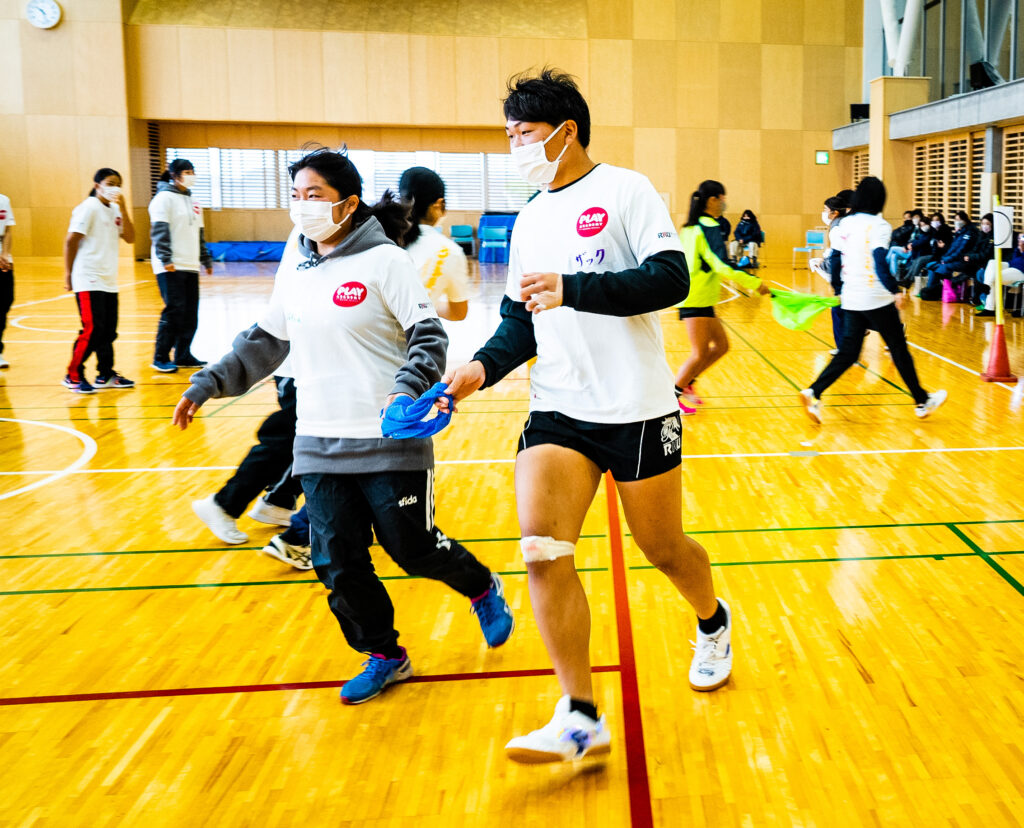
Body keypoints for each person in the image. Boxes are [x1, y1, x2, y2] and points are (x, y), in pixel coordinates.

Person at [439, 69, 734, 764]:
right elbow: (518, 321)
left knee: (663, 549)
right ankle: (580, 713)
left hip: (637, 407)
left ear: (566, 131)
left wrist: (575, 288)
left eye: (524, 134)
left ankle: (712, 621)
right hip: (559, 408)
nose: (515, 147)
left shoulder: (625, 190)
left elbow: (671, 278)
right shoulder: (530, 217)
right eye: (508, 135)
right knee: (542, 552)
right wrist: (480, 369)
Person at [172, 147, 513, 705]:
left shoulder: (385, 261)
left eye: (316, 196)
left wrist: (404, 389)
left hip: (388, 436)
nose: (302, 207)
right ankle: (385, 654)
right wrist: (208, 382)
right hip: (318, 436)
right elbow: (268, 338)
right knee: (336, 560)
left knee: (411, 547)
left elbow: (429, 337)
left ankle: (480, 585)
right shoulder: (295, 258)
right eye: (297, 196)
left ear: (348, 204)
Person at [799, 177, 947, 423]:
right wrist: (895, 289)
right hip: (875, 296)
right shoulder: (880, 225)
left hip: (851, 297)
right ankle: (922, 401)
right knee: (898, 348)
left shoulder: (845, 224)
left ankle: (813, 392)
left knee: (848, 353)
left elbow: (835, 258)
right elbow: (879, 259)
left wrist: (837, 288)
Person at [673, 182, 770, 415]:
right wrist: (755, 283)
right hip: (695, 297)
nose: (725, 203)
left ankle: (688, 383)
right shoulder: (707, 226)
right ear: (713, 200)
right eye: (722, 198)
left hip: (702, 297)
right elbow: (720, 265)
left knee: (722, 346)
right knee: (699, 353)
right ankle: (674, 395)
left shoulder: (690, 227)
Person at [62, 168, 136, 394]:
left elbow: (131, 238)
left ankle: (106, 374)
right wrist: (68, 273)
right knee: (92, 329)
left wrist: (123, 208)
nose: (114, 188)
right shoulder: (88, 207)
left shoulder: (115, 209)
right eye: (110, 183)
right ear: (97, 185)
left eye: (118, 184)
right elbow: (71, 241)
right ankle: (72, 374)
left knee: (109, 331)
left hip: (108, 279)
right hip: (88, 277)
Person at [149, 158, 213, 373]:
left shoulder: (194, 201)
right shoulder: (163, 199)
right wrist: (166, 259)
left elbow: (199, 234)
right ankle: (160, 356)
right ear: (174, 175)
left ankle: (183, 354)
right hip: (170, 266)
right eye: (186, 171)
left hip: (190, 264)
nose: (191, 174)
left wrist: (205, 259)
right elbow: (160, 232)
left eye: (192, 171)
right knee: (174, 311)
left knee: (190, 313)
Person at [399, 167, 470, 321]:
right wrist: (424, 305)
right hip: (406, 342)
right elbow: (458, 313)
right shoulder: (449, 251)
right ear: (439, 204)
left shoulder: (379, 236)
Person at [809, 193, 851, 354]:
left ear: (835, 212)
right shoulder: (844, 224)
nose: (823, 212)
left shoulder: (837, 228)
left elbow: (839, 256)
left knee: (839, 310)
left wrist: (824, 264)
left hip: (845, 277)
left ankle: (844, 350)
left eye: (825, 209)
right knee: (851, 311)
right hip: (850, 276)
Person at [919, 211, 977, 300]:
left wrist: (946, 260)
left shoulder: (969, 233)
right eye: (956, 219)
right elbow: (952, 248)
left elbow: (960, 251)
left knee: (940, 269)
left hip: (962, 261)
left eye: (959, 219)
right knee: (932, 267)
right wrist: (944, 258)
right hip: (951, 259)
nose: (957, 222)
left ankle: (934, 292)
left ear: (965, 220)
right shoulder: (959, 233)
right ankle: (931, 291)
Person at [975, 230, 1024, 317]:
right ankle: (987, 286)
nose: (1020, 240)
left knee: (995, 276)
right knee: (992, 262)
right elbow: (1015, 258)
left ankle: (989, 307)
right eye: (1019, 238)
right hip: (1011, 265)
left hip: (1021, 270)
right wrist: (1019, 248)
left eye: (1022, 238)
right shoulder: (1020, 246)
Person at [0, 192, 15, 369]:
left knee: (5, 302)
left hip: (4, 260)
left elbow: (8, 229)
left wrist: (5, 253)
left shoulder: (4, 199)